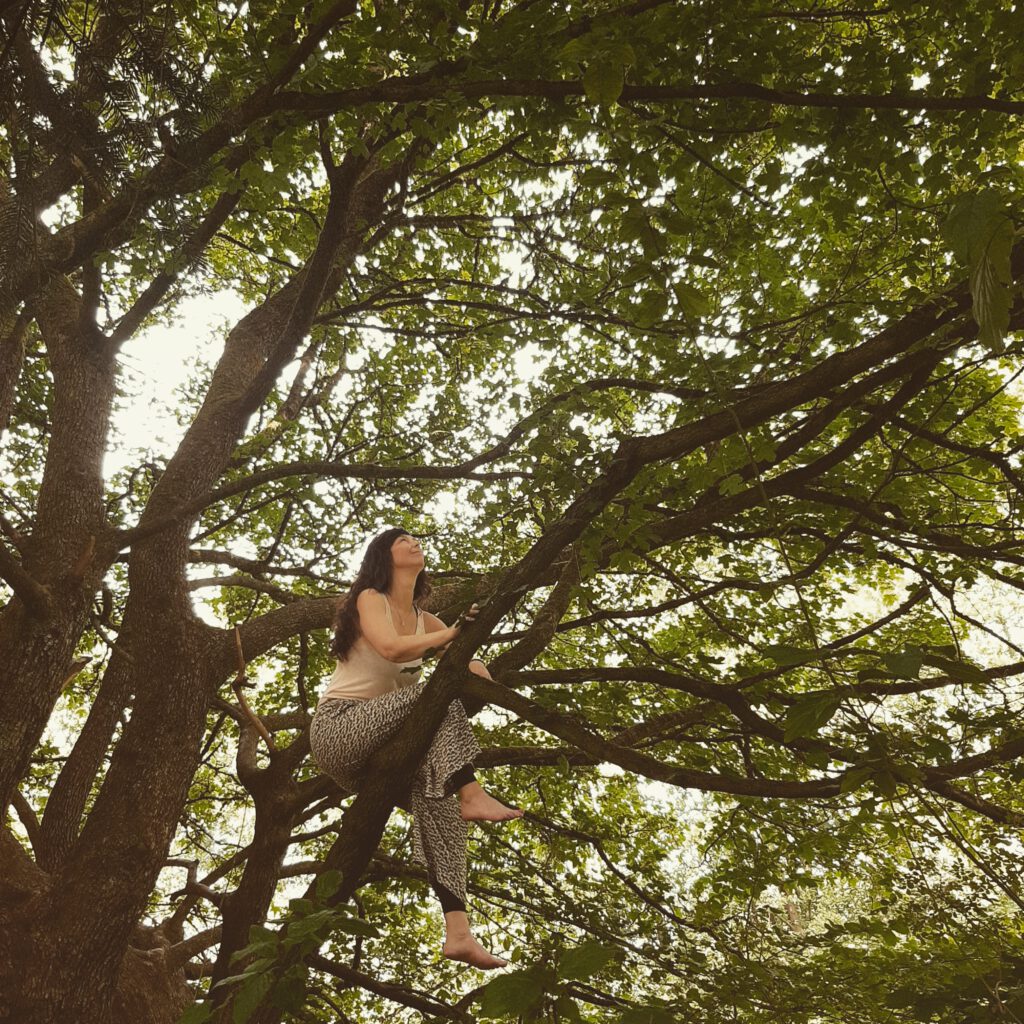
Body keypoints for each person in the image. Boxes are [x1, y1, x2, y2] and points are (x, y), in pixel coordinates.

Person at [309, 527, 524, 970]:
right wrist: (449, 640)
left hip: (379, 752)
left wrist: (478, 666)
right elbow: (390, 648)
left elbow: (466, 663)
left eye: (416, 539)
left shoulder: (427, 620)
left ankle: (458, 933)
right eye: (401, 539)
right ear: (383, 555)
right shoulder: (371, 597)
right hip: (340, 729)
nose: (414, 542)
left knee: (439, 805)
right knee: (432, 695)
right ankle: (471, 790)